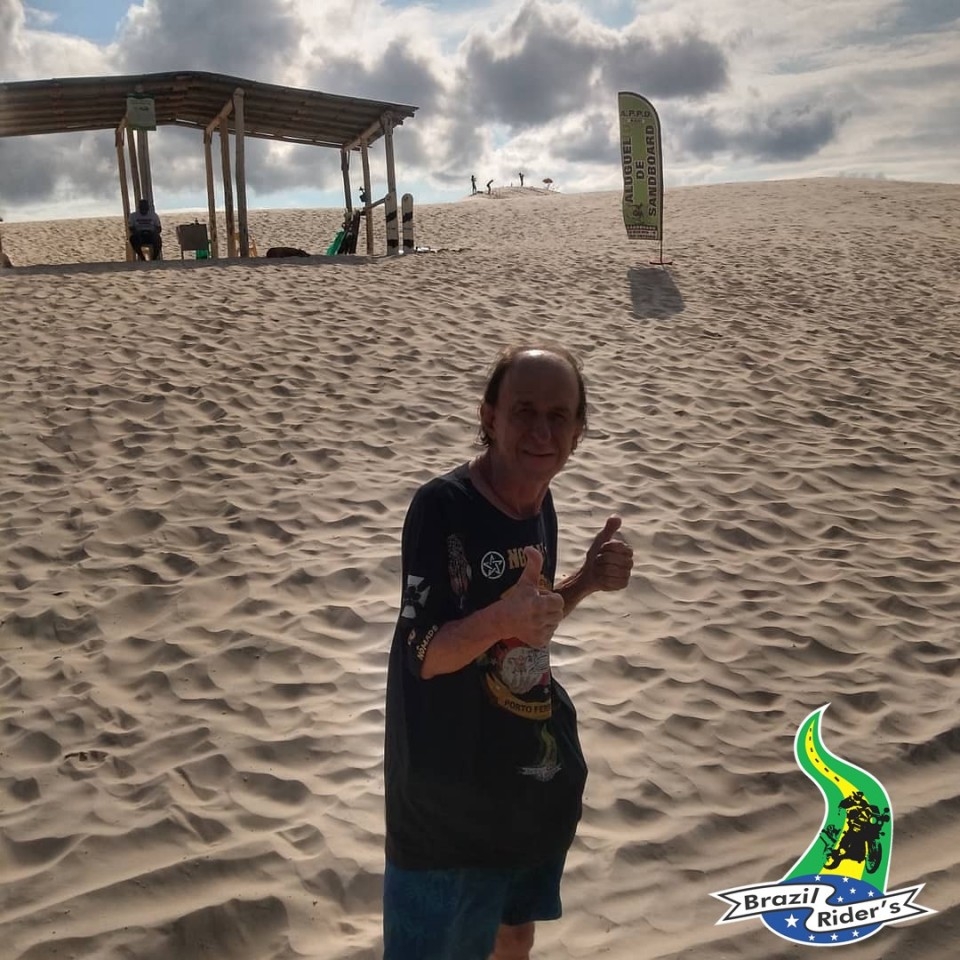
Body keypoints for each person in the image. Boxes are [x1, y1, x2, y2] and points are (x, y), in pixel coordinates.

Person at [383, 345, 634, 960]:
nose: (541, 431)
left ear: (578, 432)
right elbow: (424, 653)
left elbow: (529, 624)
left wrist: (585, 582)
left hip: (527, 785)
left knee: (515, 935)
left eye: (558, 416)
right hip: (446, 807)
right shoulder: (442, 507)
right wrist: (501, 617)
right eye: (524, 411)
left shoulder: (539, 501)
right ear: (489, 416)